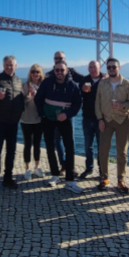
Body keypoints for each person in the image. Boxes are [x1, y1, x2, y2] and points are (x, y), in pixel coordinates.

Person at [34, 60, 83, 193]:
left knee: (70, 147)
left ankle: (70, 180)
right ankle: (55, 175)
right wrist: (42, 114)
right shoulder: (47, 82)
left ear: (67, 71)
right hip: (48, 119)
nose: (60, 72)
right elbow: (38, 99)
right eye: (57, 70)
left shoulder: (72, 85)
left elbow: (77, 104)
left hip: (64, 119)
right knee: (50, 147)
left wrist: (67, 115)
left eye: (62, 70)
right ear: (54, 71)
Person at [0, 55, 25, 193]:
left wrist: (21, 111)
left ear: (16, 66)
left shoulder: (19, 81)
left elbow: (21, 100)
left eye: (11, 65)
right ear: (3, 66)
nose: (9, 67)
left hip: (13, 122)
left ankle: (8, 177)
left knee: (11, 152)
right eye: (7, 65)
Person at [95, 57, 129, 193]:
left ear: (119, 68)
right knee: (103, 150)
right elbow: (97, 103)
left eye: (114, 67)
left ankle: (121, 179)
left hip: (123, 121)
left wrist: (122, 106)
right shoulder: (102, 83)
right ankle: (104, 177)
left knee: (122, 152)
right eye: (109, 67)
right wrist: (100, 119)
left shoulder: (128, 84)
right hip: (106, 120)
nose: (111, 69)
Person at [45, 51, 83, 174]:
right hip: (52, 115)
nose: (58, 59)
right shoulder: (49, 75)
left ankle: (70, 165)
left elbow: (85, 79)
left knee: (69, 141)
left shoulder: (71, 71)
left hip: (67, 113)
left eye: (60, 58)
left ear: (65, 59)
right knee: (57, 141)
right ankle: (63, 165)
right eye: (56, 58)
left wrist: (102, 75)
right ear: (53, 60)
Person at [79, 60, 105, 179]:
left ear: (100, 68)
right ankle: (89, 168)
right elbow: (79, 97)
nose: (93, 69)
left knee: (101, 146)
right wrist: (82, 91)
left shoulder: (105, 79)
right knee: (88, 145)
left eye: (95, 67)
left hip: (101, 119)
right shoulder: (84, 80)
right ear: (88, 69)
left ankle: (102, 170)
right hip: (87, 117)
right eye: (91, 67)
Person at [21, 64, 44, 180]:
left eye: (38, 72)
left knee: (37, 144)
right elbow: (20, 104)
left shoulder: (44, 86)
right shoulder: (25, 86)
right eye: (33, 72)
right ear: (30, 73)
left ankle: (37, 166)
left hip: (39, 120)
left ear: (41, 74)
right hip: (26, 120)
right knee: (27, 145)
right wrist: (28, 96)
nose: (35, 74)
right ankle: (27, 168)